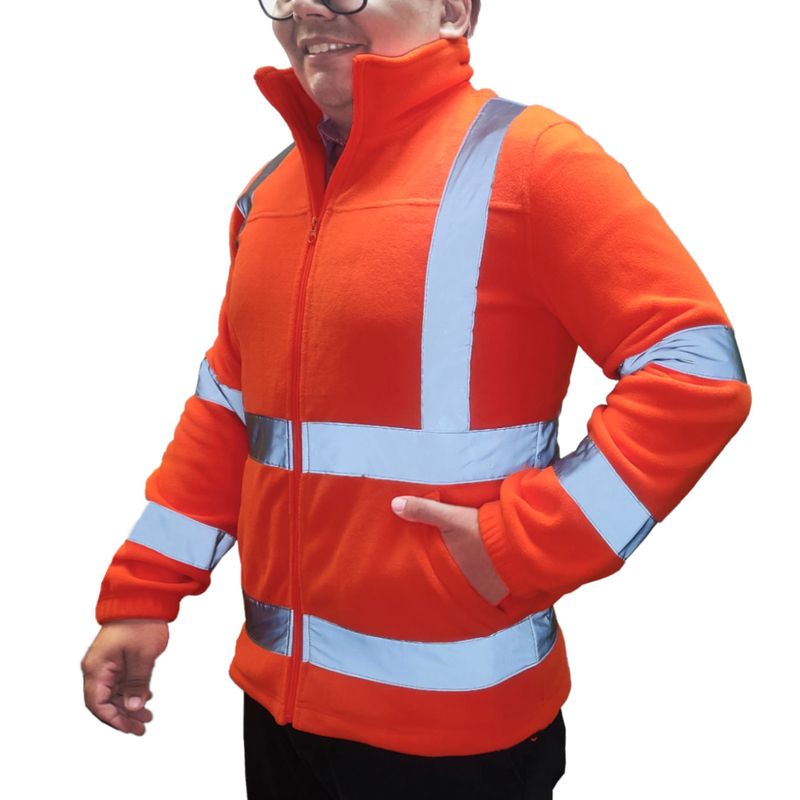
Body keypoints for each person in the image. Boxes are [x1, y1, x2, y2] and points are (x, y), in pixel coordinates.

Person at [80, 1, 752, 797]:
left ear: (454, 10)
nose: (307, 7)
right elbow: (229, 414)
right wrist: (142, 595)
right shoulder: (268, 196)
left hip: (459, 739)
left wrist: (525, 544)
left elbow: (695, 370)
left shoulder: (533, 163)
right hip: (277, 715)